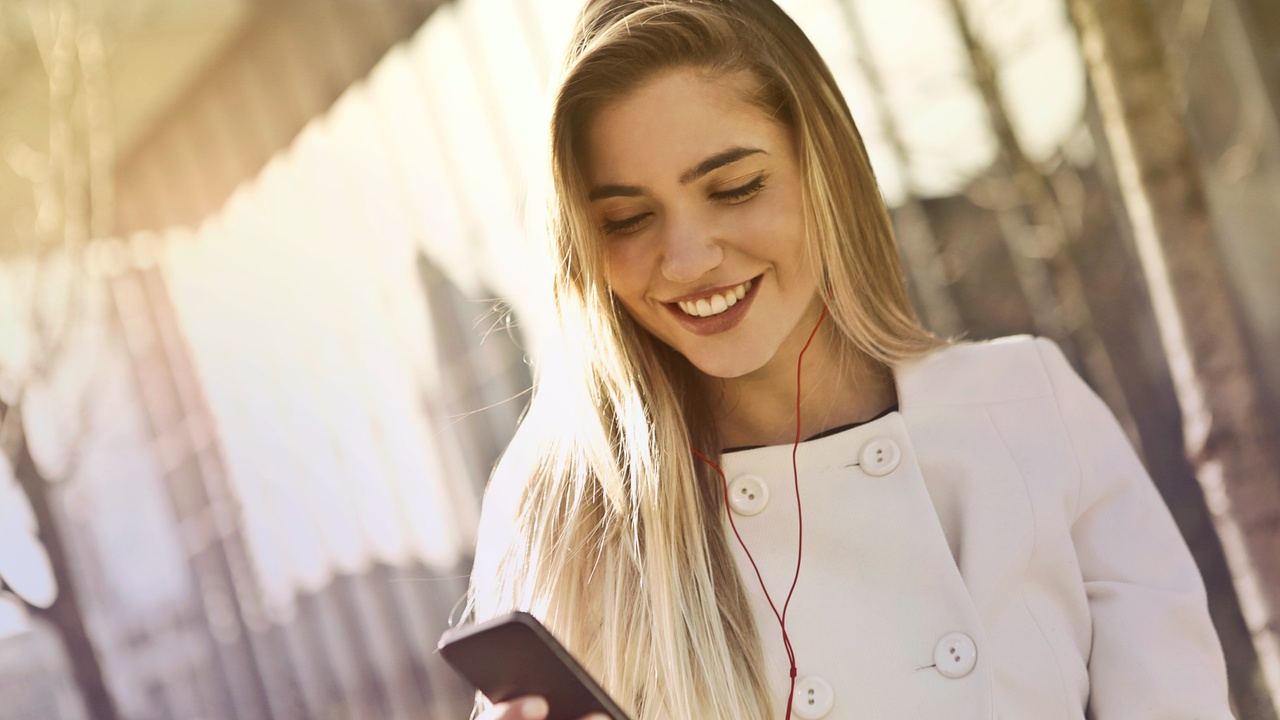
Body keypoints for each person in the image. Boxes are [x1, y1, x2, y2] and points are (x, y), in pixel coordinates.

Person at [464, 1, 1236, 718]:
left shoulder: (1027, 407)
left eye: (734, 187)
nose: (688, 257)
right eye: (628, 219)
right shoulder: (568, 516)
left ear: (823, 167)